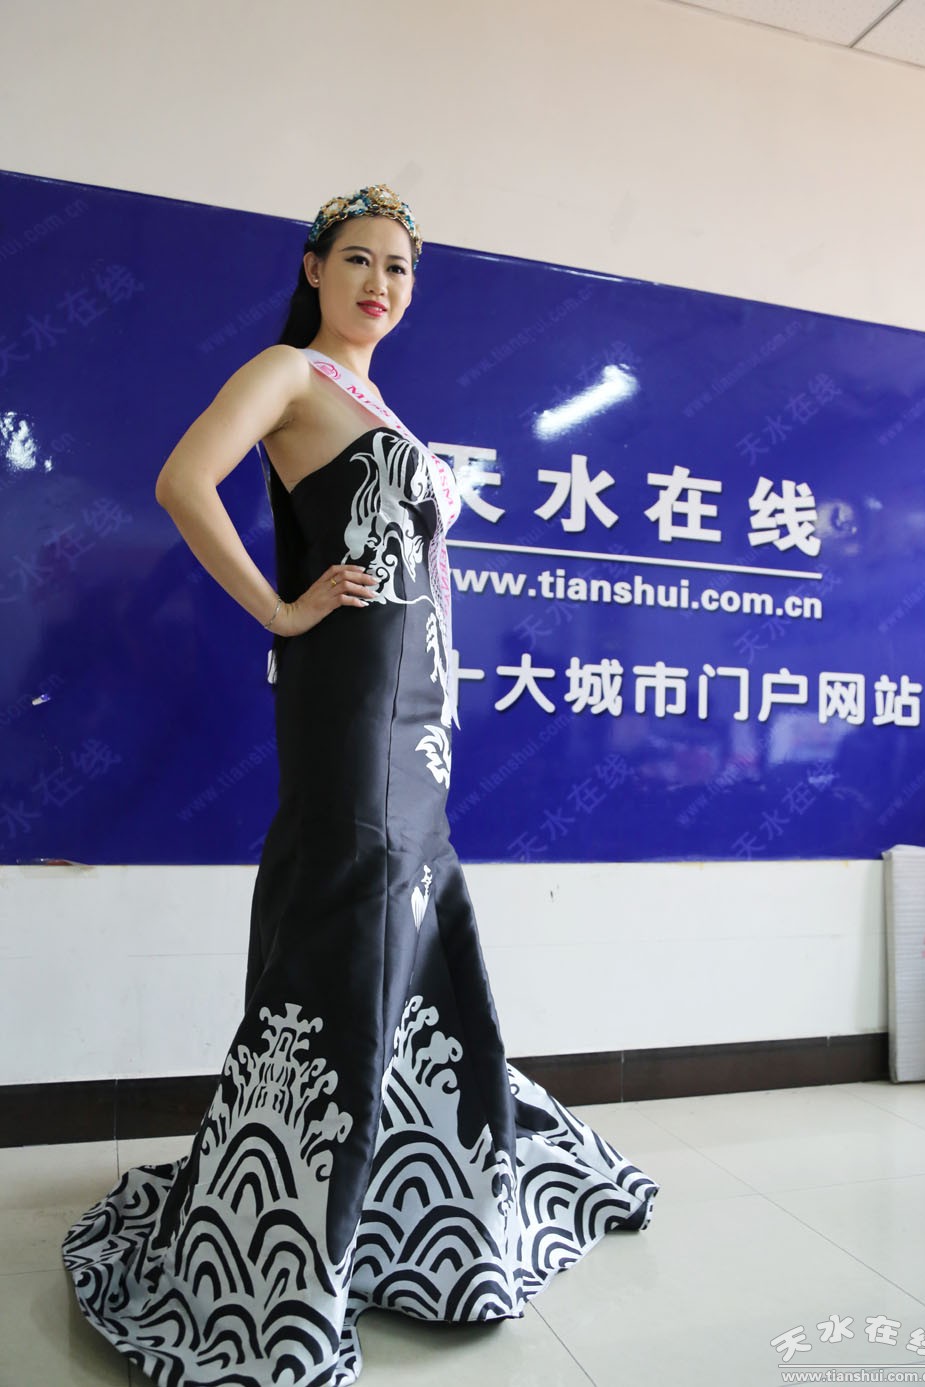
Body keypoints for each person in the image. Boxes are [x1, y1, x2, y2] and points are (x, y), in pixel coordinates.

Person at [62, 183, 658, 1387]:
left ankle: (405, 1203)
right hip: (349, 707)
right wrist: (281, 611)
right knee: (352, 912)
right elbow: (184, 481)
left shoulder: (379, 404)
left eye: (398, 268)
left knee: (405, 917)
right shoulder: (286, 374)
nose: (379, 283)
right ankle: (287, 1236)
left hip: (415, 714)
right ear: (313, 268)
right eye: (358, 260)